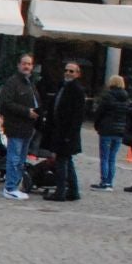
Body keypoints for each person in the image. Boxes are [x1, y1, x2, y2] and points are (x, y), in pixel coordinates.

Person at [0, 53, 40, 201]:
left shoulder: (30, 83)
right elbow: (6, 103)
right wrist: (27, 112)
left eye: (29, 64)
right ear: (18, 65)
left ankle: (15, 185)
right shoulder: (13, 82)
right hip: (16, 126)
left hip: (27, 128)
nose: (26, 66)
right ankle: (10, 188)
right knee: (14, 158)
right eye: (24, 63)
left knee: (21, 159)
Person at [47, 61, 86, 202]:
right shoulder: (62, 87)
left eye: (72, 71)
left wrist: (70, 135)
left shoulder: (77, 90)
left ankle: (60, 191)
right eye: (67, 70)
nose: (68, 73)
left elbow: (78, 116)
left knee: (62, 161)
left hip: (67, 133)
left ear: (78, 74)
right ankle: (73, 191)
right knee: (67, 161)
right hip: (59, 130)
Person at [93, 74, 131, 190]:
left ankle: (104, 181)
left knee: (104, 157)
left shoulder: (107, 97)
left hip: (107, 130)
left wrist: (97, 125)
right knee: (112, 157)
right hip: (119, 131)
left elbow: (100, 112)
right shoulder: (126, 98)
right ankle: (109, 181)